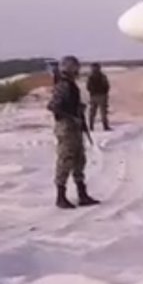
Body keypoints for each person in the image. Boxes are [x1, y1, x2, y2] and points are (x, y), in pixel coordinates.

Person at [45, 55, 100, 209]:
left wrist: (79, 113)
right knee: (65, 160)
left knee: (79, 160)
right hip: (66, 127)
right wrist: (72, 117)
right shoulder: (63, 85)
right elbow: (53, 107)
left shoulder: (70, 84)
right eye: (75, 67)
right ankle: (60, 196)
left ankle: (82, 194)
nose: (77, 70)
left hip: (73, 127)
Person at [86, 62, 112, 131]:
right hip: (101, 96)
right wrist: (104, 92)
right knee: (103, 112)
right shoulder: (102, 76)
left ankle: (91, 126)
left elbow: (88, 87)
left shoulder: (90, 77)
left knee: (92, 112)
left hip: (94, 96)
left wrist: (92, 92)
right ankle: (105, 126)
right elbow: (107, 86)